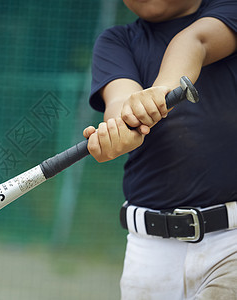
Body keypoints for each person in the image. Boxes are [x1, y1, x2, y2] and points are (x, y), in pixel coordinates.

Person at [83, 0, 237, 299]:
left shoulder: (229, 8)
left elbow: (196, 41)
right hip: (148, 249)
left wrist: (164, 88)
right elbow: (120, 103)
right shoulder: (117, 41)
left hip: (231, 238)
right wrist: (118, 132)